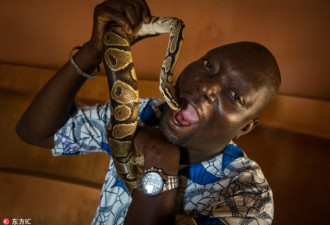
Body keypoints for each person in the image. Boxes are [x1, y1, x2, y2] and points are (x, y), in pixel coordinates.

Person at [16, 0, 281, 224]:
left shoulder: (249, 198)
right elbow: (34, 132)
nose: (206, 86)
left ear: (245, 127)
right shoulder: (147, 111)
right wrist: (93, 51)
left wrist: (159, 161)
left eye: (234, 96)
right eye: (208, 65)